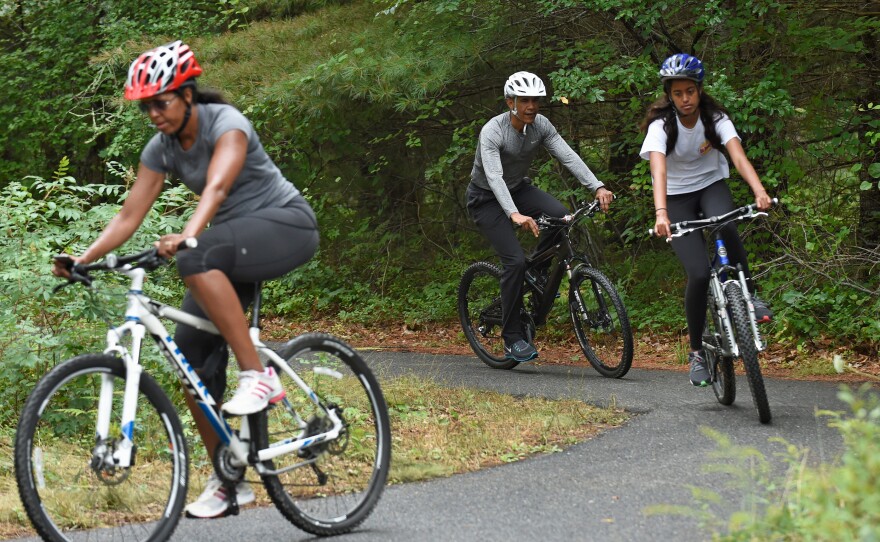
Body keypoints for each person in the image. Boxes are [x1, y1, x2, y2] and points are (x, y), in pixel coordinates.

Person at [52, 41, 320, 518]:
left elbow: (217, 185)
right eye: (146, 106)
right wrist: (83, 258)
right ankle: (229, 475)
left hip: (285, 225)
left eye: (162, 102)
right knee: (190, 354)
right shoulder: (162, 148)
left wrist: (189, 236)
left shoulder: (228, 124)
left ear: (188, 94)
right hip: (230, 242)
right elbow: (130, 214)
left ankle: (257, 373)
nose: (154, 113)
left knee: (194, 260)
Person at [639, 53, 773, 387]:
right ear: (669, 95)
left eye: (690, 91)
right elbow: (659, 169)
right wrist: (661, 214)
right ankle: (697, 352)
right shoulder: (662, 126)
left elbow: (737, 157)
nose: (685, 99)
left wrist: (759, 191)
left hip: (711, 186)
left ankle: (750, 296)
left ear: (699, 90)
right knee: (698, 273)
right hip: (675, 199)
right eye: (677, 93)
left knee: (726, 224)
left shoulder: (715, 118)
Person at [467, 71, 613, 363]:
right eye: (525, 100)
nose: (531, 106)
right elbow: (494, 178)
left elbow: (567, 155)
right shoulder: (492, 131)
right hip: (486, 199)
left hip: (518, 189)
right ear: (511, 102)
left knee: (560, 216)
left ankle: (536, 272)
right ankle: (511, 338)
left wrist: (596, 185)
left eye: (536, 100)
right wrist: (514, 214)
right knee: (514, 261)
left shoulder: (541, 125)